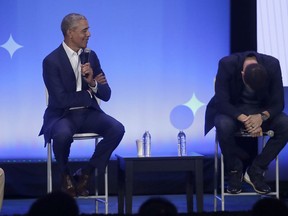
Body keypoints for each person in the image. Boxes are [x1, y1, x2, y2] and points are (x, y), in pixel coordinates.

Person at [39, 13, 125, 197]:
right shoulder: (51, 61)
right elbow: (61, 100)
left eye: (88, 30)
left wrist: (92, 82)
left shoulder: (91, 56)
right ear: (70, 33)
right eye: (84, 30)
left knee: (117, 129)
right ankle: (65, 176)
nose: (89, 34)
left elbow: (106, 94)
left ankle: (85, 173)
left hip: (89, 114)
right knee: (61, 135)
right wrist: (87, 94)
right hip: (63, 115)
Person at [205, 51, 288, 195]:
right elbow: (221, 102)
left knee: (285, 124)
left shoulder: (272, 65)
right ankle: (234, 171)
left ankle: (256, 170)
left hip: (261, 112)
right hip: (232, 112)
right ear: (242, 73)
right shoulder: (227, 64)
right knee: (223, 125)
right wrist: (246, 119)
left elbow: (278, 103)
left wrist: (261, 117)